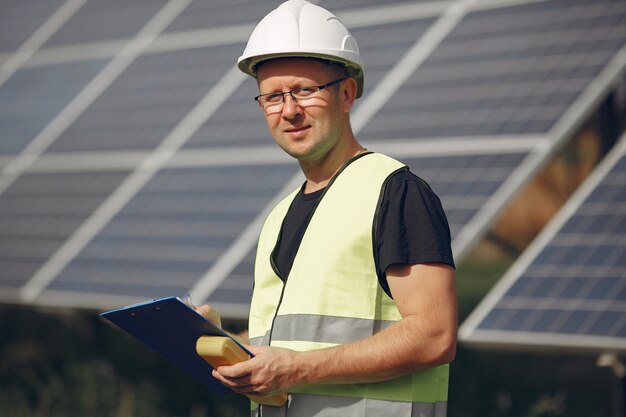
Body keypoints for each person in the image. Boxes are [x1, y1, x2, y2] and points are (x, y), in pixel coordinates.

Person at [196, 1, 457, 416]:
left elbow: (434, 336)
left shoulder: (396, 192)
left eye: (305, 90)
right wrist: (223, 341)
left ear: (347, 93)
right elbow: (292, 342)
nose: (290, 110)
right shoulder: (280, 214)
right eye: (273, 97)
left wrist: (297, 369)